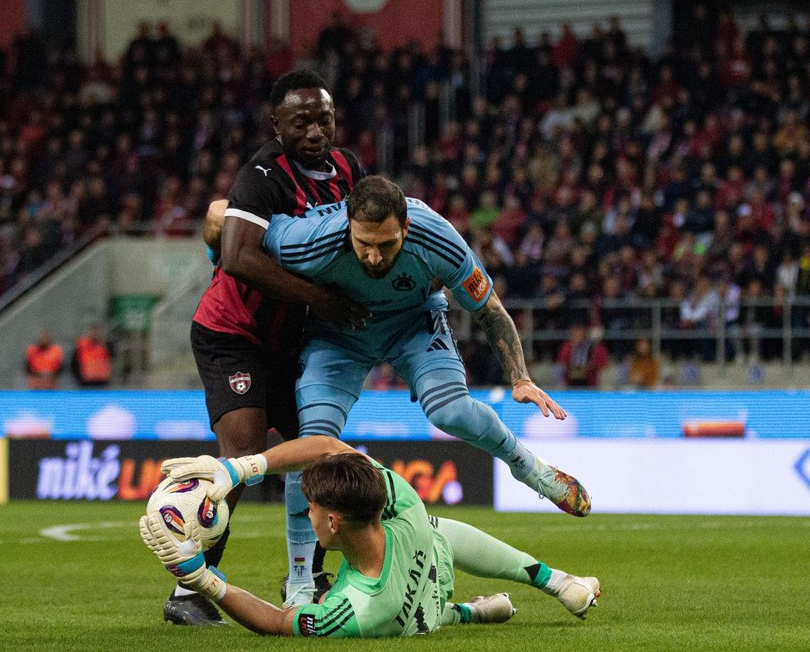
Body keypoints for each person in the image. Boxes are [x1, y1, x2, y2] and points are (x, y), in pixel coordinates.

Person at [247, 176, 590, 607]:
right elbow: (244, 231)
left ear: (406, 228)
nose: (373, 257)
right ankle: (300, 583)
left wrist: (519, 378)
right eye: (363, 243)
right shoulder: (307, 241)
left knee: (451, 412)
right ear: (347, 224)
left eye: (386, 245)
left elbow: (491, 310)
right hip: (339, 333)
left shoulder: (438, 239)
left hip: (414, 323)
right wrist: (216, 219)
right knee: (312, 446)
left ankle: (530, 468)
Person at [171, 68, 368, 625]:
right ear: (275, 123)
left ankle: (305, 574)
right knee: (241, 457)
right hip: (231, 332)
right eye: (300, 121)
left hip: (289, 340)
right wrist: (323, 300)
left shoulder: (350, 169)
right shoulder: (261, 174)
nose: (313, 132)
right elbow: (237, 257)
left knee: (318, 450)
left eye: (322, 119)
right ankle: (192, 585)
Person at [139, 436, 601, 637]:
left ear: (333, 522)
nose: (308, 516)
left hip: (423, 615)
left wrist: (201, 578)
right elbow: (331, 447)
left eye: (311, 509)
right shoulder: (402, 505)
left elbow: (278, 623)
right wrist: (239, 468)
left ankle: (471, 613)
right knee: (436, 530)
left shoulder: (353, 611)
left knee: (428, 618)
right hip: (429, 570)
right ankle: (552, 582)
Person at [558, 323, 610, 388]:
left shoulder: (595, 347)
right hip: (571, 377)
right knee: (560, 371)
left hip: (589, 379)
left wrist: (591, 366)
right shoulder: (567, 346)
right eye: (575, 331)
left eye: (579, 331)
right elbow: (562, 362)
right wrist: (574, 347)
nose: (577, 334)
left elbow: (604, 364)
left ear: (585, 332)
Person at [71, 324, 113, 388]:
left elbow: (112, 355)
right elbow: (74, 361)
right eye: (94, 331)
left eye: (98, 331)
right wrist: (78, 378)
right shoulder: (82, 344)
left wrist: (103, 344)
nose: (96, 334)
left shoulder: (106, 345)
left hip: (102, 380)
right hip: (86, 381)